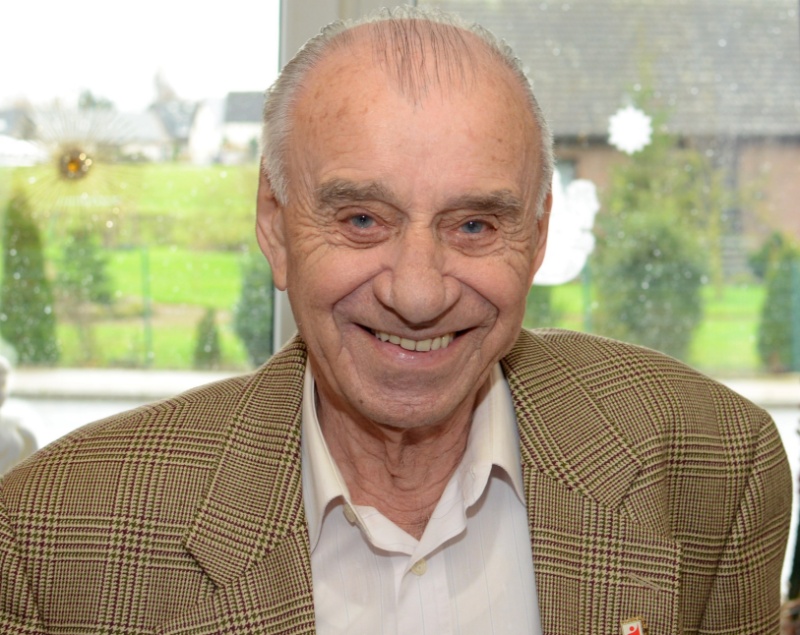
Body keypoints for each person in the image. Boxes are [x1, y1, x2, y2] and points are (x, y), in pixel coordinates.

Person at [0, 7, 791, 634]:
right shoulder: (54, 533)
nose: (417, 294)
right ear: (275, 226)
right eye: (362, 220)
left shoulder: (714, 463)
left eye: (474, 225)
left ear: (539, 234)